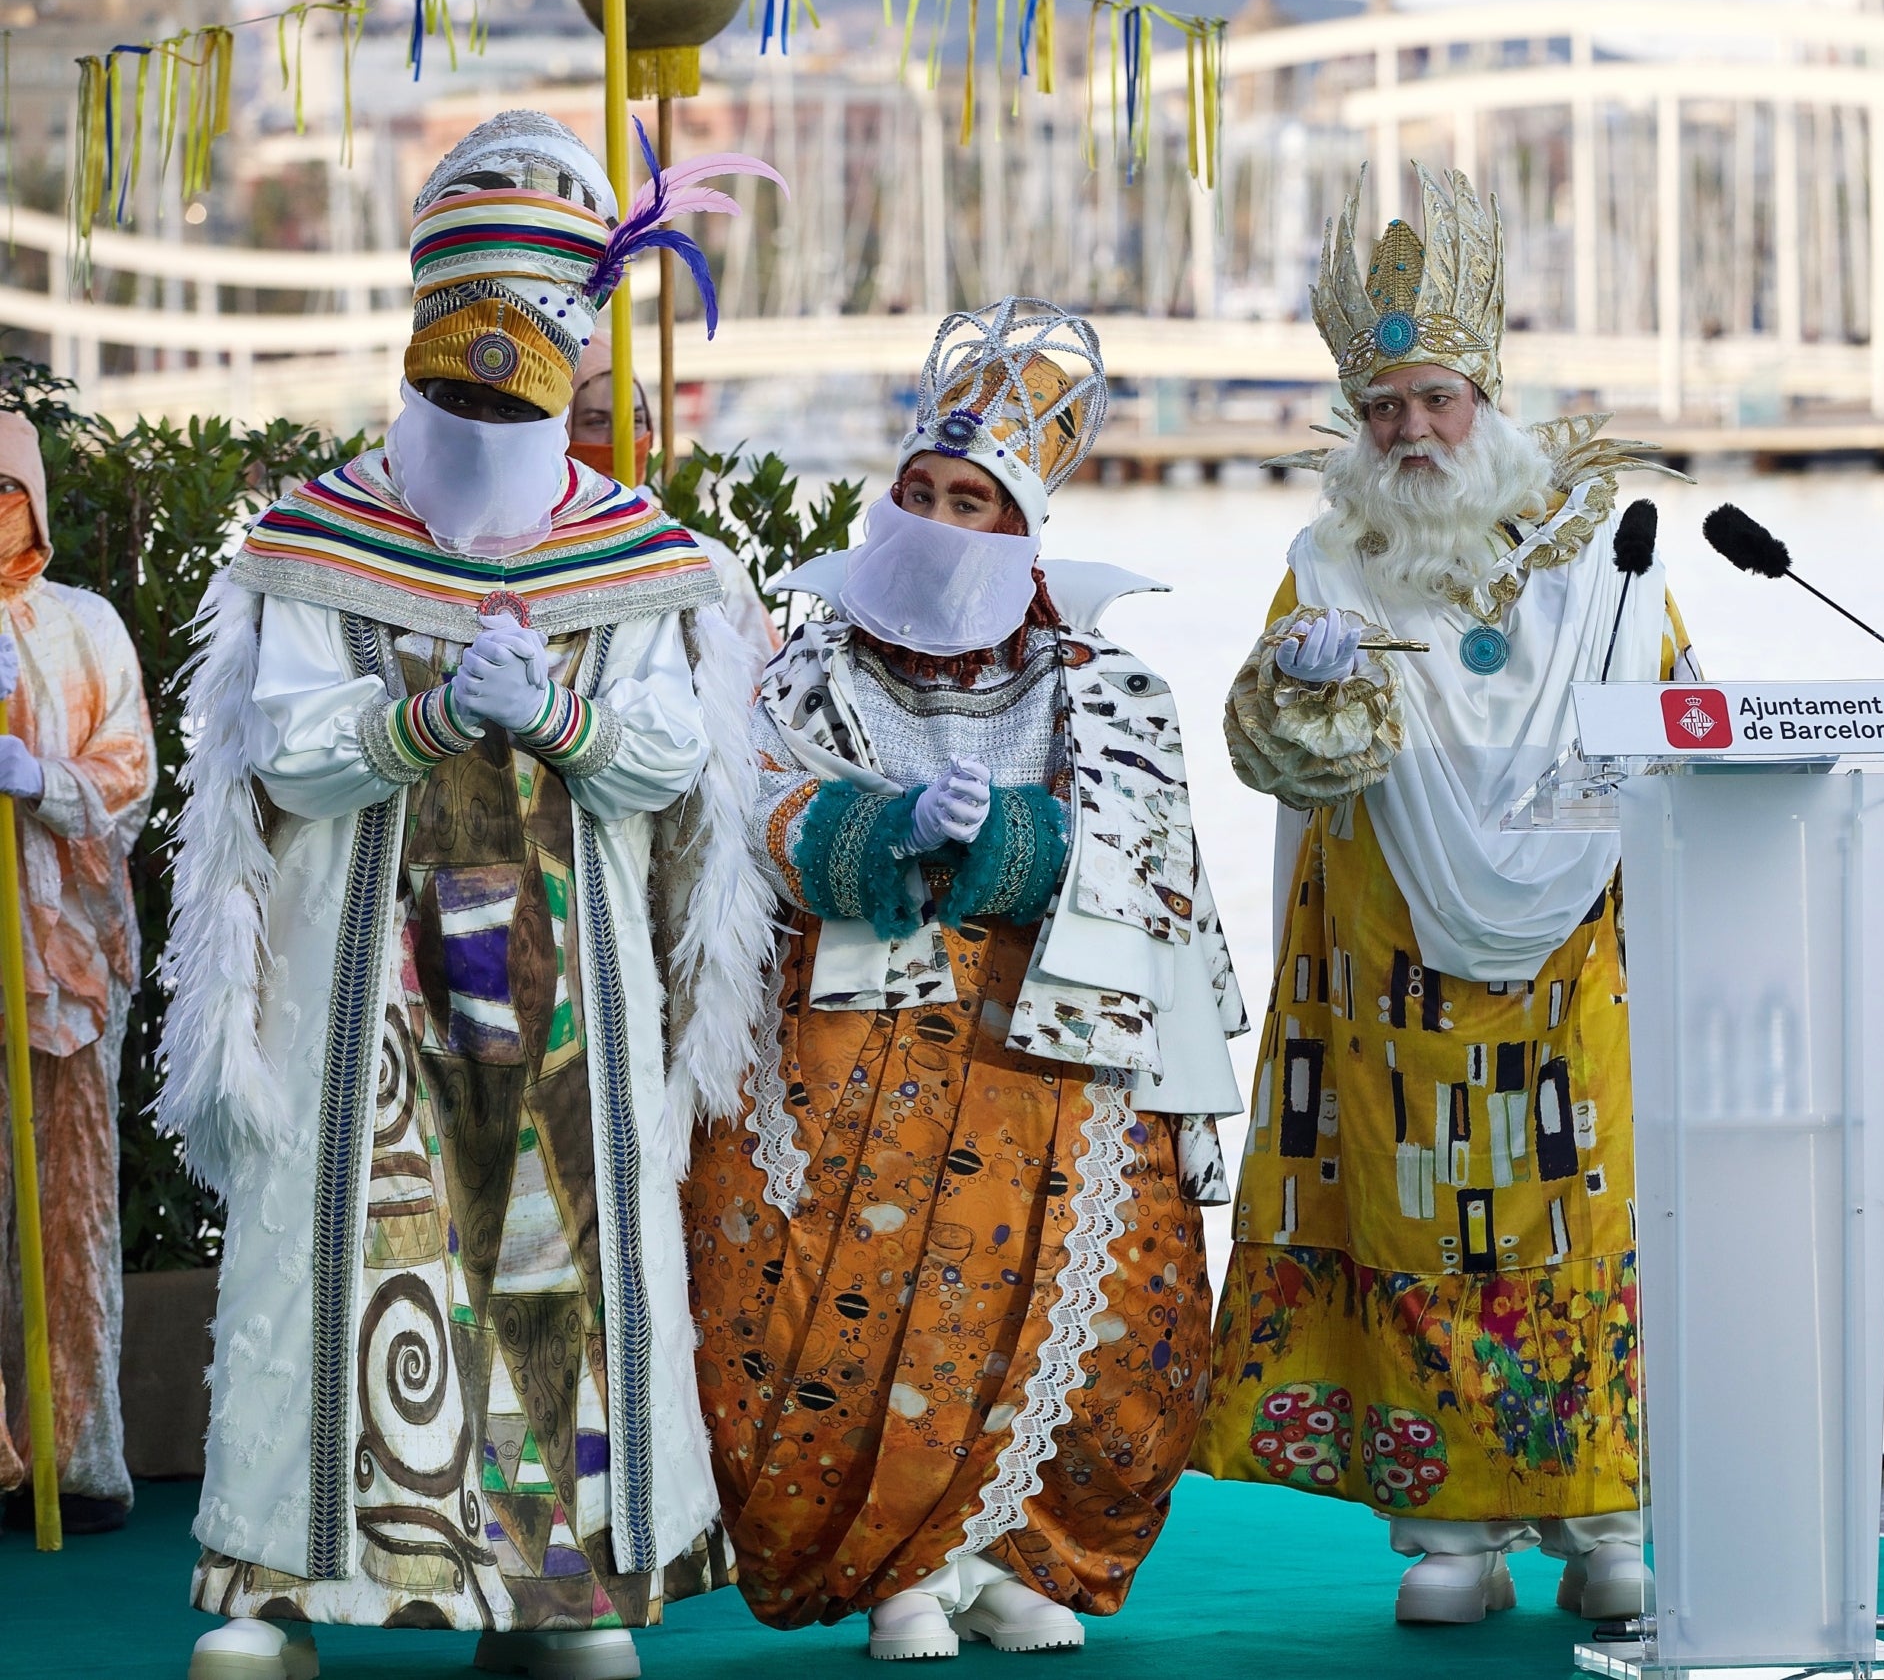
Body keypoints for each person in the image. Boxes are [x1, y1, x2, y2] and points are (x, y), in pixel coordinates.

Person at [159, 112, 773, 1680]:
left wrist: (556, 718)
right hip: (361, 973)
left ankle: (556, 1594)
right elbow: (280, 757)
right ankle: (282, 1584)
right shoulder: (309, 549)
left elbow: (674, 770)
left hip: (568, 993)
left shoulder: (644, 560)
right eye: (455, 379)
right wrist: (420, 719)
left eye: (512, 386)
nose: (481, 408)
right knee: (339, 1250)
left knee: (553, 1259)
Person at [683, 297, 1247, 1661]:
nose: (940, 518)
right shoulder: (800, 668)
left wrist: (1009, 836)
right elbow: (749, 814)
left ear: (1025, 527)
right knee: (857, 1305)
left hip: (1057, 1061)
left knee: (1072, 1300)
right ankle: (900, 1568)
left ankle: (1013, 1553)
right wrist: (876, 831)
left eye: (973, 499)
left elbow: (1152, 850)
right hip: (852, 1059)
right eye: (921, 490)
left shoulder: (1107, 684)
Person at [1192, 164, 1687, 1627]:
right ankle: (1451, 1525)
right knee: (1422, 1222)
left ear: (1488, 400)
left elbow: (1678, 724)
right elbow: (1266, 749)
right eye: (1385, 407)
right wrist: (1298, 678)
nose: (1410, 430)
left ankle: (1609, 1517)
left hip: (1571, 961)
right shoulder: (1325, 563)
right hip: (1388, 952)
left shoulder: (1604, 560)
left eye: (1435, 401)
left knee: (1579, 1223)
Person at [0, 411, 153, 1535]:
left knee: (69, 1209)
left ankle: (76, 1453)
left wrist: (38, 779)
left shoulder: (87, 626)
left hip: (62, 967)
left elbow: (131, 768)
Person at [567, 338, 778, 660]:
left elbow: (765, 677)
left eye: (635, 421)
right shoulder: (528, 553)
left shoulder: (707, 559)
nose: (621, 440)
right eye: (596, 422)